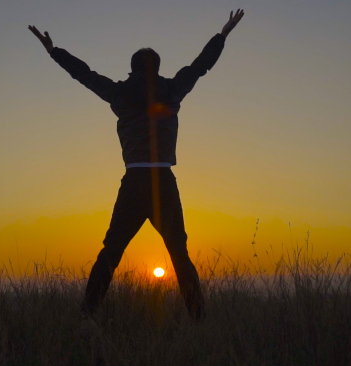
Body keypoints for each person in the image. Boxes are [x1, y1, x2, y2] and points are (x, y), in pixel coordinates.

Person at [28, 9, 245, 321]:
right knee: (179, 254)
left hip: (134, 182)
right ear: (157, 68)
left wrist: (53, 51)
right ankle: (199, 319)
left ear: (132, 70)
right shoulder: (170, 89)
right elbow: (200, 66)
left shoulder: (120, 92)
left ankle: (86, 316)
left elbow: (84, 74)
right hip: (162, 181)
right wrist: (223, 34)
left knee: (111, 252)